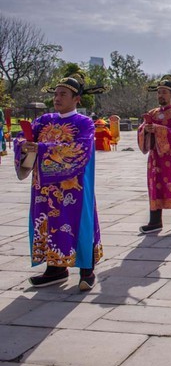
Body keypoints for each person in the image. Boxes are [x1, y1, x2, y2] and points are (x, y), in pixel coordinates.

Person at [14, 73, 106, 290]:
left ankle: (87, 270)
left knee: (79, 223)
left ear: (77, 99)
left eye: (63, 94)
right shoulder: (44, 121)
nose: (57, 98)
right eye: (55, 94)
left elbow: (80, 150)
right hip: (44, 188)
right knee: (48, 224)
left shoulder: (84, 123)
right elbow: (21, 137)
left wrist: (44, 149)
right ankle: (55, 269)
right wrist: (24, 145)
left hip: (73, 189)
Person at [138, 75, 171, 234]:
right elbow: (142, 130)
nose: (161, 95)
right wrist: (145, 130)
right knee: (155, 186)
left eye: (164, 92)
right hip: (155, 159)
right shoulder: (152, 113)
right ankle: (155, 222)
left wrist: (159, 130)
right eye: (159, 92)